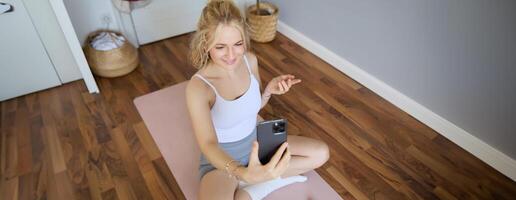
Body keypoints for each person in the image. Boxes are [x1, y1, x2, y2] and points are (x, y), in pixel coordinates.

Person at [186, 1, 330, 199]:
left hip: (259, 142)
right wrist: (242, 171)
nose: (231, 55)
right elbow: (208, 144)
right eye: (220, 47)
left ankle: (252, 186)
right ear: (205, 44)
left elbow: (249, 109)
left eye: (238, 44)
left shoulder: (249, 60)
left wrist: (268, 91)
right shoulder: (199, 87)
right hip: (223, 161)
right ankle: (256, 181)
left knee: (320, 153)